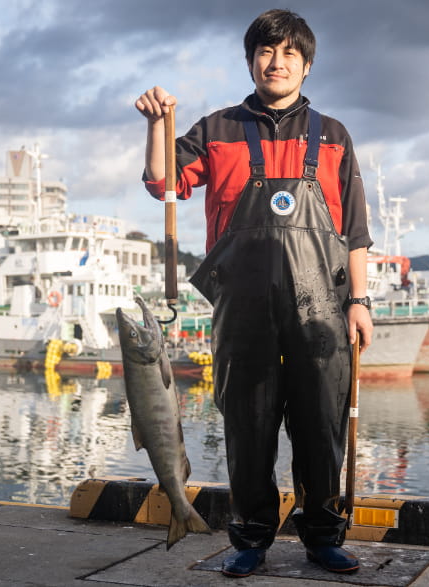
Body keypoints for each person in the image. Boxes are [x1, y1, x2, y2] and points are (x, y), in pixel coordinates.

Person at [135, 8, 373, 579]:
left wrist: (360, 302)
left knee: (321, 427)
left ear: (307, 65)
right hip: (241, 312)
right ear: (250, 61)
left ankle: (322, 535)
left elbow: (357, 232)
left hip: (322, 312)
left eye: (290, 53)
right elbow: (164, 184)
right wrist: (156, 125)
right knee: (248, 427)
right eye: (267, 52)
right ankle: (250, 537)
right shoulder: (216, 130)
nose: (278, 62)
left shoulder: (334, 136)